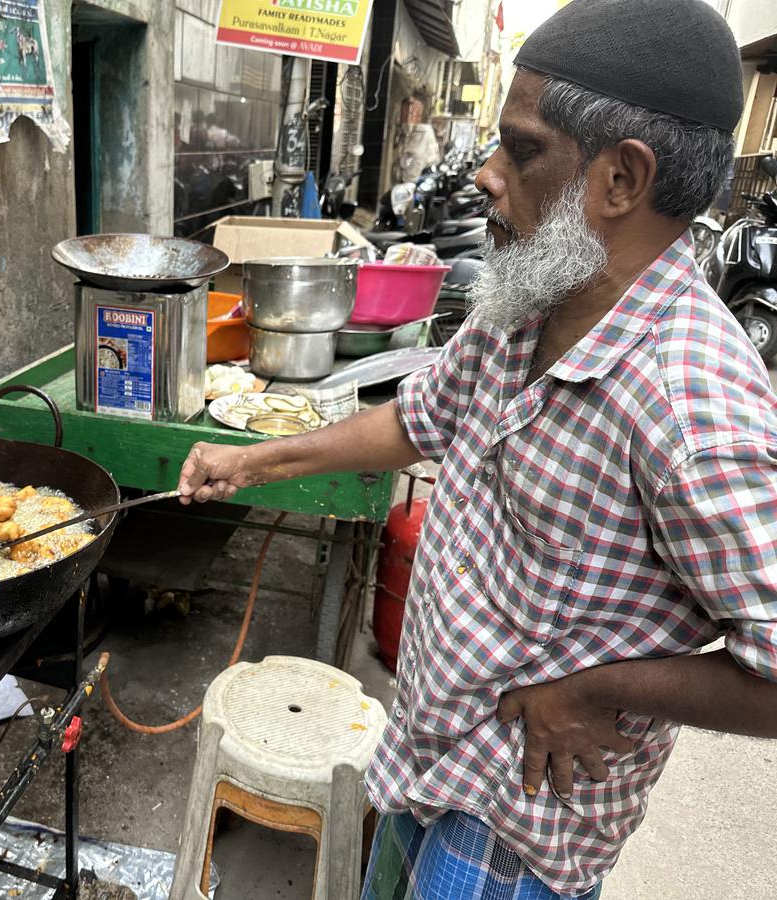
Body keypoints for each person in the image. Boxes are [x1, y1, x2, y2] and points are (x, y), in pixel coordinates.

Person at [177, 1, 777, 897]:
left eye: (523, 150)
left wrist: (592, 690)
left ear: (622, 179)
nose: (489, 177)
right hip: (428, 746)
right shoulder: (530, 299)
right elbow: (419, 422)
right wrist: (256, 461)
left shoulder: (693, 405)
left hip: (519, 819)